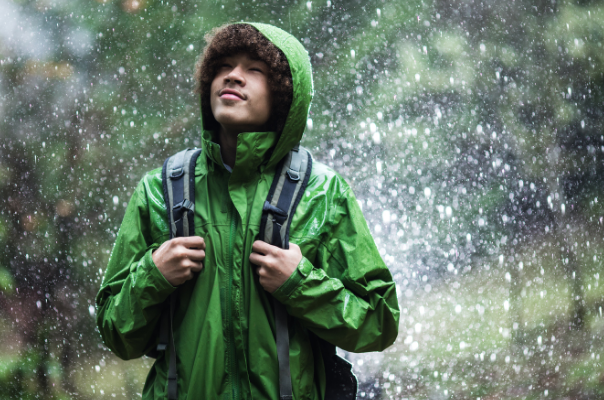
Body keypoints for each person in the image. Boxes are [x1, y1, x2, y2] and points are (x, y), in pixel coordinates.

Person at [96, 22, 400, 399]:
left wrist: (299, 284)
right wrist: (153, 275)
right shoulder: (160, 191)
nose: (233, 76)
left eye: (254, 69)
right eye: (222, 66)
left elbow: (380, 322)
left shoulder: (322, 193)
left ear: (284, 95)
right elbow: (115, 333)